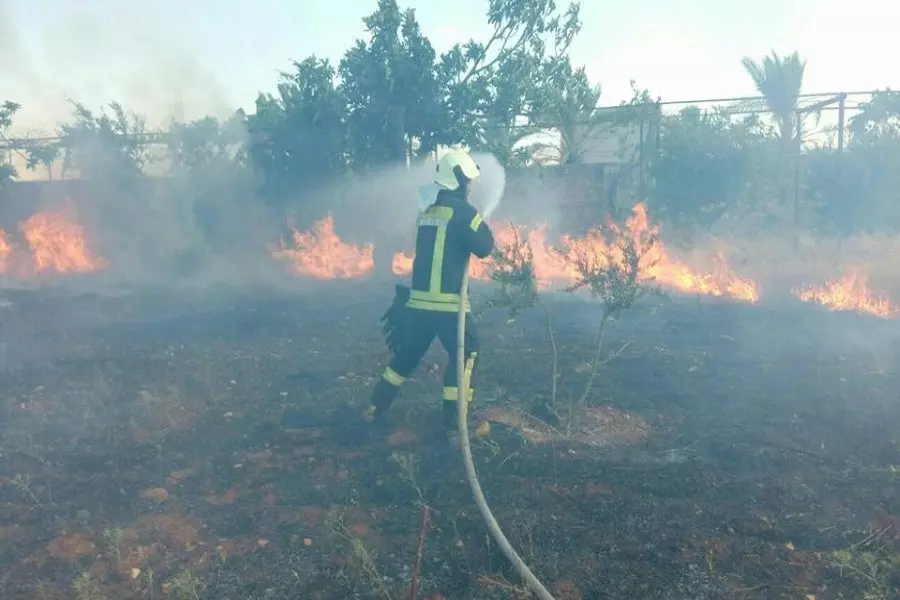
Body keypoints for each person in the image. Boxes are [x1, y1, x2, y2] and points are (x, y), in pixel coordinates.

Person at [363, 150, 494, 438]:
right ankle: (454, 417)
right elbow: (485, 246)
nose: (470, 185)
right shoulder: (464, 212)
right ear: (459, 179)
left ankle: (376, 405)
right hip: (447, 305)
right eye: (468, 179)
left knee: (407, 354)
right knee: (466, 353)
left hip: (418, 303)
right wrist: (480, 219)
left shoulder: (427, 212)